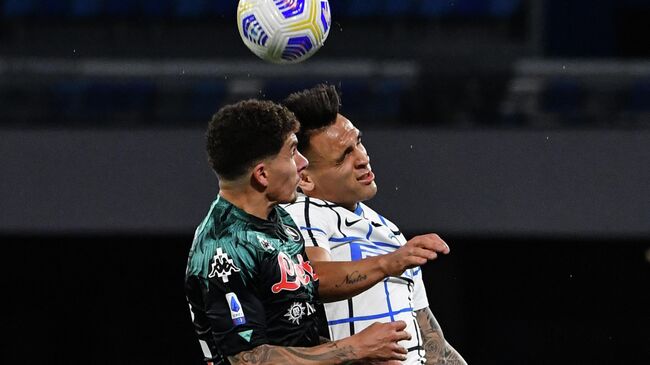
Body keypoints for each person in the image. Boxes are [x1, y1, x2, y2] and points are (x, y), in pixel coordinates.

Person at [185, 99, 415, 365]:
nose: (304, 162)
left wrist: (359, 358)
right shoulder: (224, 247)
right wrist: (354, 348)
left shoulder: (278, 217)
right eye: (293, 151)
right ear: (262, 174)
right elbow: (249, 359)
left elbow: (293, 335)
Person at [282, 84, 468, 364]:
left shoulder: (390, 231)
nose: (363, 158)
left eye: (358, 142)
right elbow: (313, 278)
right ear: (306, 178)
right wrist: (389, 263)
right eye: (344, 156)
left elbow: (431, 342)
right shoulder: (304, 212)